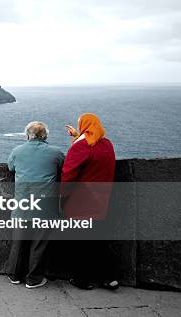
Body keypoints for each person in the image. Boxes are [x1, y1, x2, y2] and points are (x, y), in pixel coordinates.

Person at [62, 113, 119, 290]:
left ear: (84, 126)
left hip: (81, 201)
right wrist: (78, 136)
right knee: (98, 240)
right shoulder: (107, 143)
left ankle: (82, 280)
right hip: (101, 199)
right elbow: (91, 149)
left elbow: (68, 173)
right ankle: (109, 278)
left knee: (79, 243)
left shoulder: (82, 145)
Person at [6, 121, 64, 289]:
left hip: (23, 204)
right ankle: (33, 279)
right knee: (39, 244)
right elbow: (63, 168)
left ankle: (15, 275)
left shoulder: (17, 151)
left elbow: (11, 168)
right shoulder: (56, 153)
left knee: (19, 242)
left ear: (27, 135)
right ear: (45, 135)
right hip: (45, 206)